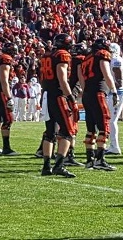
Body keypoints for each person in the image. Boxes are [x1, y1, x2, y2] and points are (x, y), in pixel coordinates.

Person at [39, 33, 77, 177]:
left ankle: (46, 166)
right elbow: (62, 78)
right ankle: (59, 166)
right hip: (58, 95)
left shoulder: (47, 55)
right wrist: (70, 97)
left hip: (46, 94)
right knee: (68, 132)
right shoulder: (62, 55)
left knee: (50, 132)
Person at [80, 36, 118, 171]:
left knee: (91, 128)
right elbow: (107, 74)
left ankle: (89, 160)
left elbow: (82, 80)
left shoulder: (86, 58)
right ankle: (100, 160)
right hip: (98, 92)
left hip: (87, 94)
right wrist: (114, 91)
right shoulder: (102, 55)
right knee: (104, 126)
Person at [0, 42, 18, 155]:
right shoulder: (5, 59)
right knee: (8, 119)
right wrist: (9, 96)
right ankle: (6, 148)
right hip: (1, 92)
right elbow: (4, 80)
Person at [106, 43, 123, 155]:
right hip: (115, 93)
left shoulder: (116, 60)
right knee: (109, 120)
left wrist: (110, 89)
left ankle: (115, 147)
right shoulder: (116, 60)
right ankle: (111, 145)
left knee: (112, 121)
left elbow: (119, 82)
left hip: (118, 93)